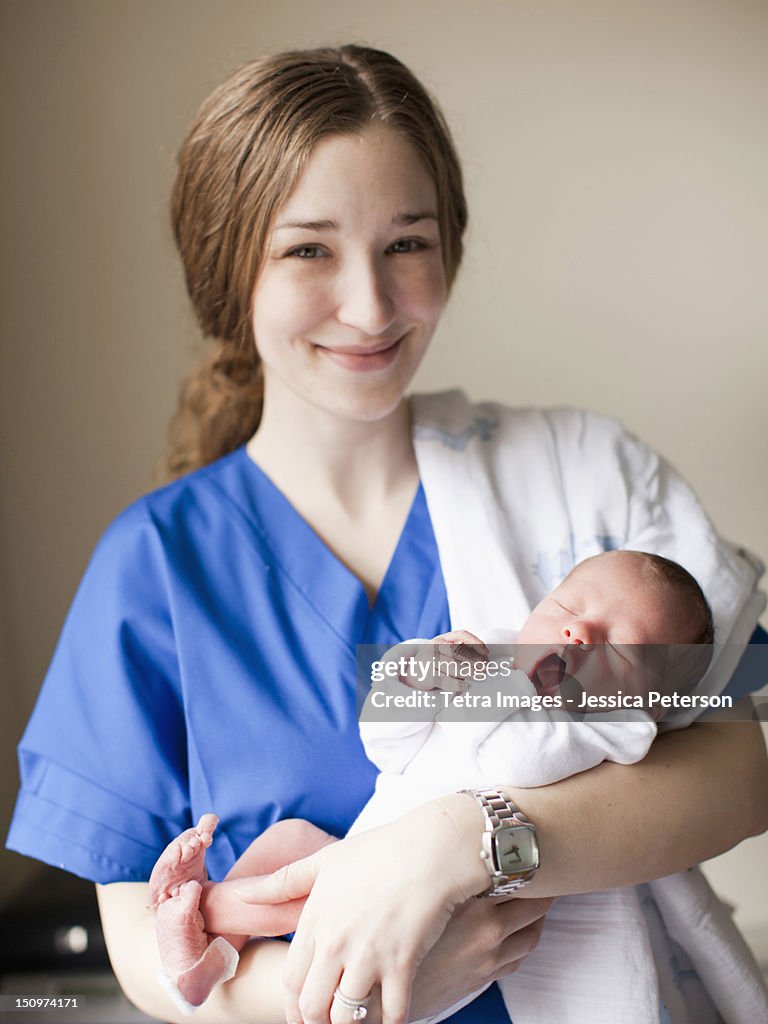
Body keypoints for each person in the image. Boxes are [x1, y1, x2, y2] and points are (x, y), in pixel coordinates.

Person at [5, 44, 767, 1024]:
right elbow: (140, 947)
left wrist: (464, 841)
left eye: (407, 243)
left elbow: (743, 767)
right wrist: (350, 994)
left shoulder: (587, 479)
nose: (369, 306)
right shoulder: (154, 566)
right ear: (227, 265)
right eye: (308, 249)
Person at [146, 548, 739, 1019]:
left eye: (620, 645)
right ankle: (206, 948)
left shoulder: (605, 728)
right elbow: (389, 746)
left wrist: (473, 685)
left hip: (444, 920)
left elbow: (518, 761)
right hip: (362, 859)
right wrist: (415, 675)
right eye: (567, 604)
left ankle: (204, 915)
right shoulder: (494, 656)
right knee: (289, 841)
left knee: (314, 896)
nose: (579, 632)